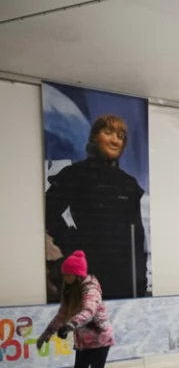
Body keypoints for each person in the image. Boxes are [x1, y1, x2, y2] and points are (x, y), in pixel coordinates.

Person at [44, 115, 148, 301]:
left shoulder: (128, 184)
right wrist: (72, 242)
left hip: (123, 278)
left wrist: (140, 281)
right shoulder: (73, 174)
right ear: (94, 137)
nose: (115, 140)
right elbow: (48, 212)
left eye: (120, 136)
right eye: (108, 132)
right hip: (87, 271)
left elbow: (138, 238)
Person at [37, 251, 115, 368]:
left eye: (68, 273)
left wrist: (71, 325)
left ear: (78, 274)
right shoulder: (70, 290)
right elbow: (62, 314)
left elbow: (89, 311)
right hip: (82, 340)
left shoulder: (91, 289)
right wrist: (47, 334)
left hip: (100, 338)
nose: (65, 277)